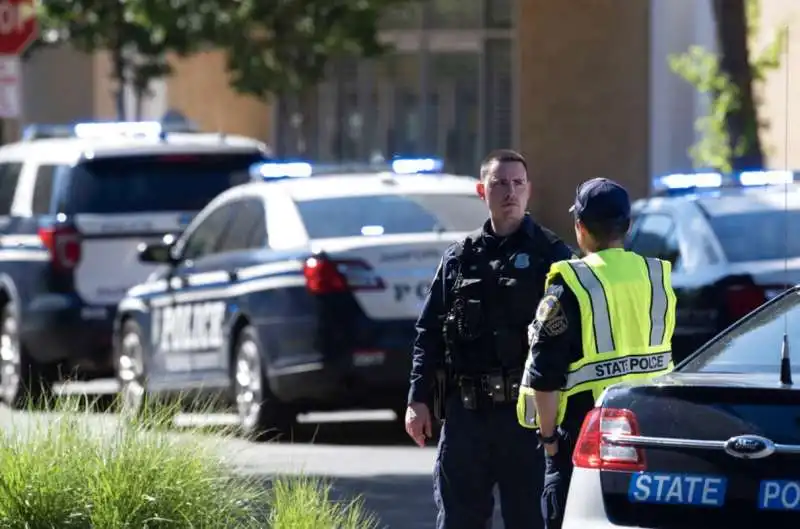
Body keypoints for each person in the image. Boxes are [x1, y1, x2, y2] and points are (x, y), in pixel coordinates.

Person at [404, 149, 576, 529]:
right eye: (500, 184)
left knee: (530, 520)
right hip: (467, 416)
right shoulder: (459, 258)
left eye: (518, 184)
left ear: (529, 191)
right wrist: (418, 399)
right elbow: (428, 332)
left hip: (527, 417)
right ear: (483, 191)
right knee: (458, 520)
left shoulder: (554, 256)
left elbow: (574, 339)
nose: (510, 192)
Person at [516, 177, 677, 529]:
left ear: (580, 228)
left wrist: (549, 443)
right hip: (648, 440)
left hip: (585, 446)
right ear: (628, 226)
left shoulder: (571, 284)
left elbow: (545, 376)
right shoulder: (656, 277)